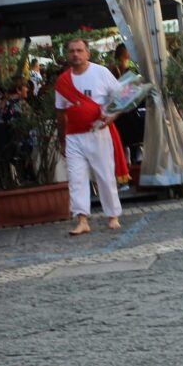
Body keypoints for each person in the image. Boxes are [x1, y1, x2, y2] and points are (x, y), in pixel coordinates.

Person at [55, 38, 124, 236]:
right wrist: (61, 140)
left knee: (104, 175)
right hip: (73, 137)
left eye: (79, 50)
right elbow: (60, 112)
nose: (75, 54)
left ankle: (113, 216)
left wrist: (111, 116)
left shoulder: (100, 72)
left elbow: (120, 96)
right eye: (72, 51)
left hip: (98, 133)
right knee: (76, 178)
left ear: (87, 53)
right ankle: (82, 219)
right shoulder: (63, 81)